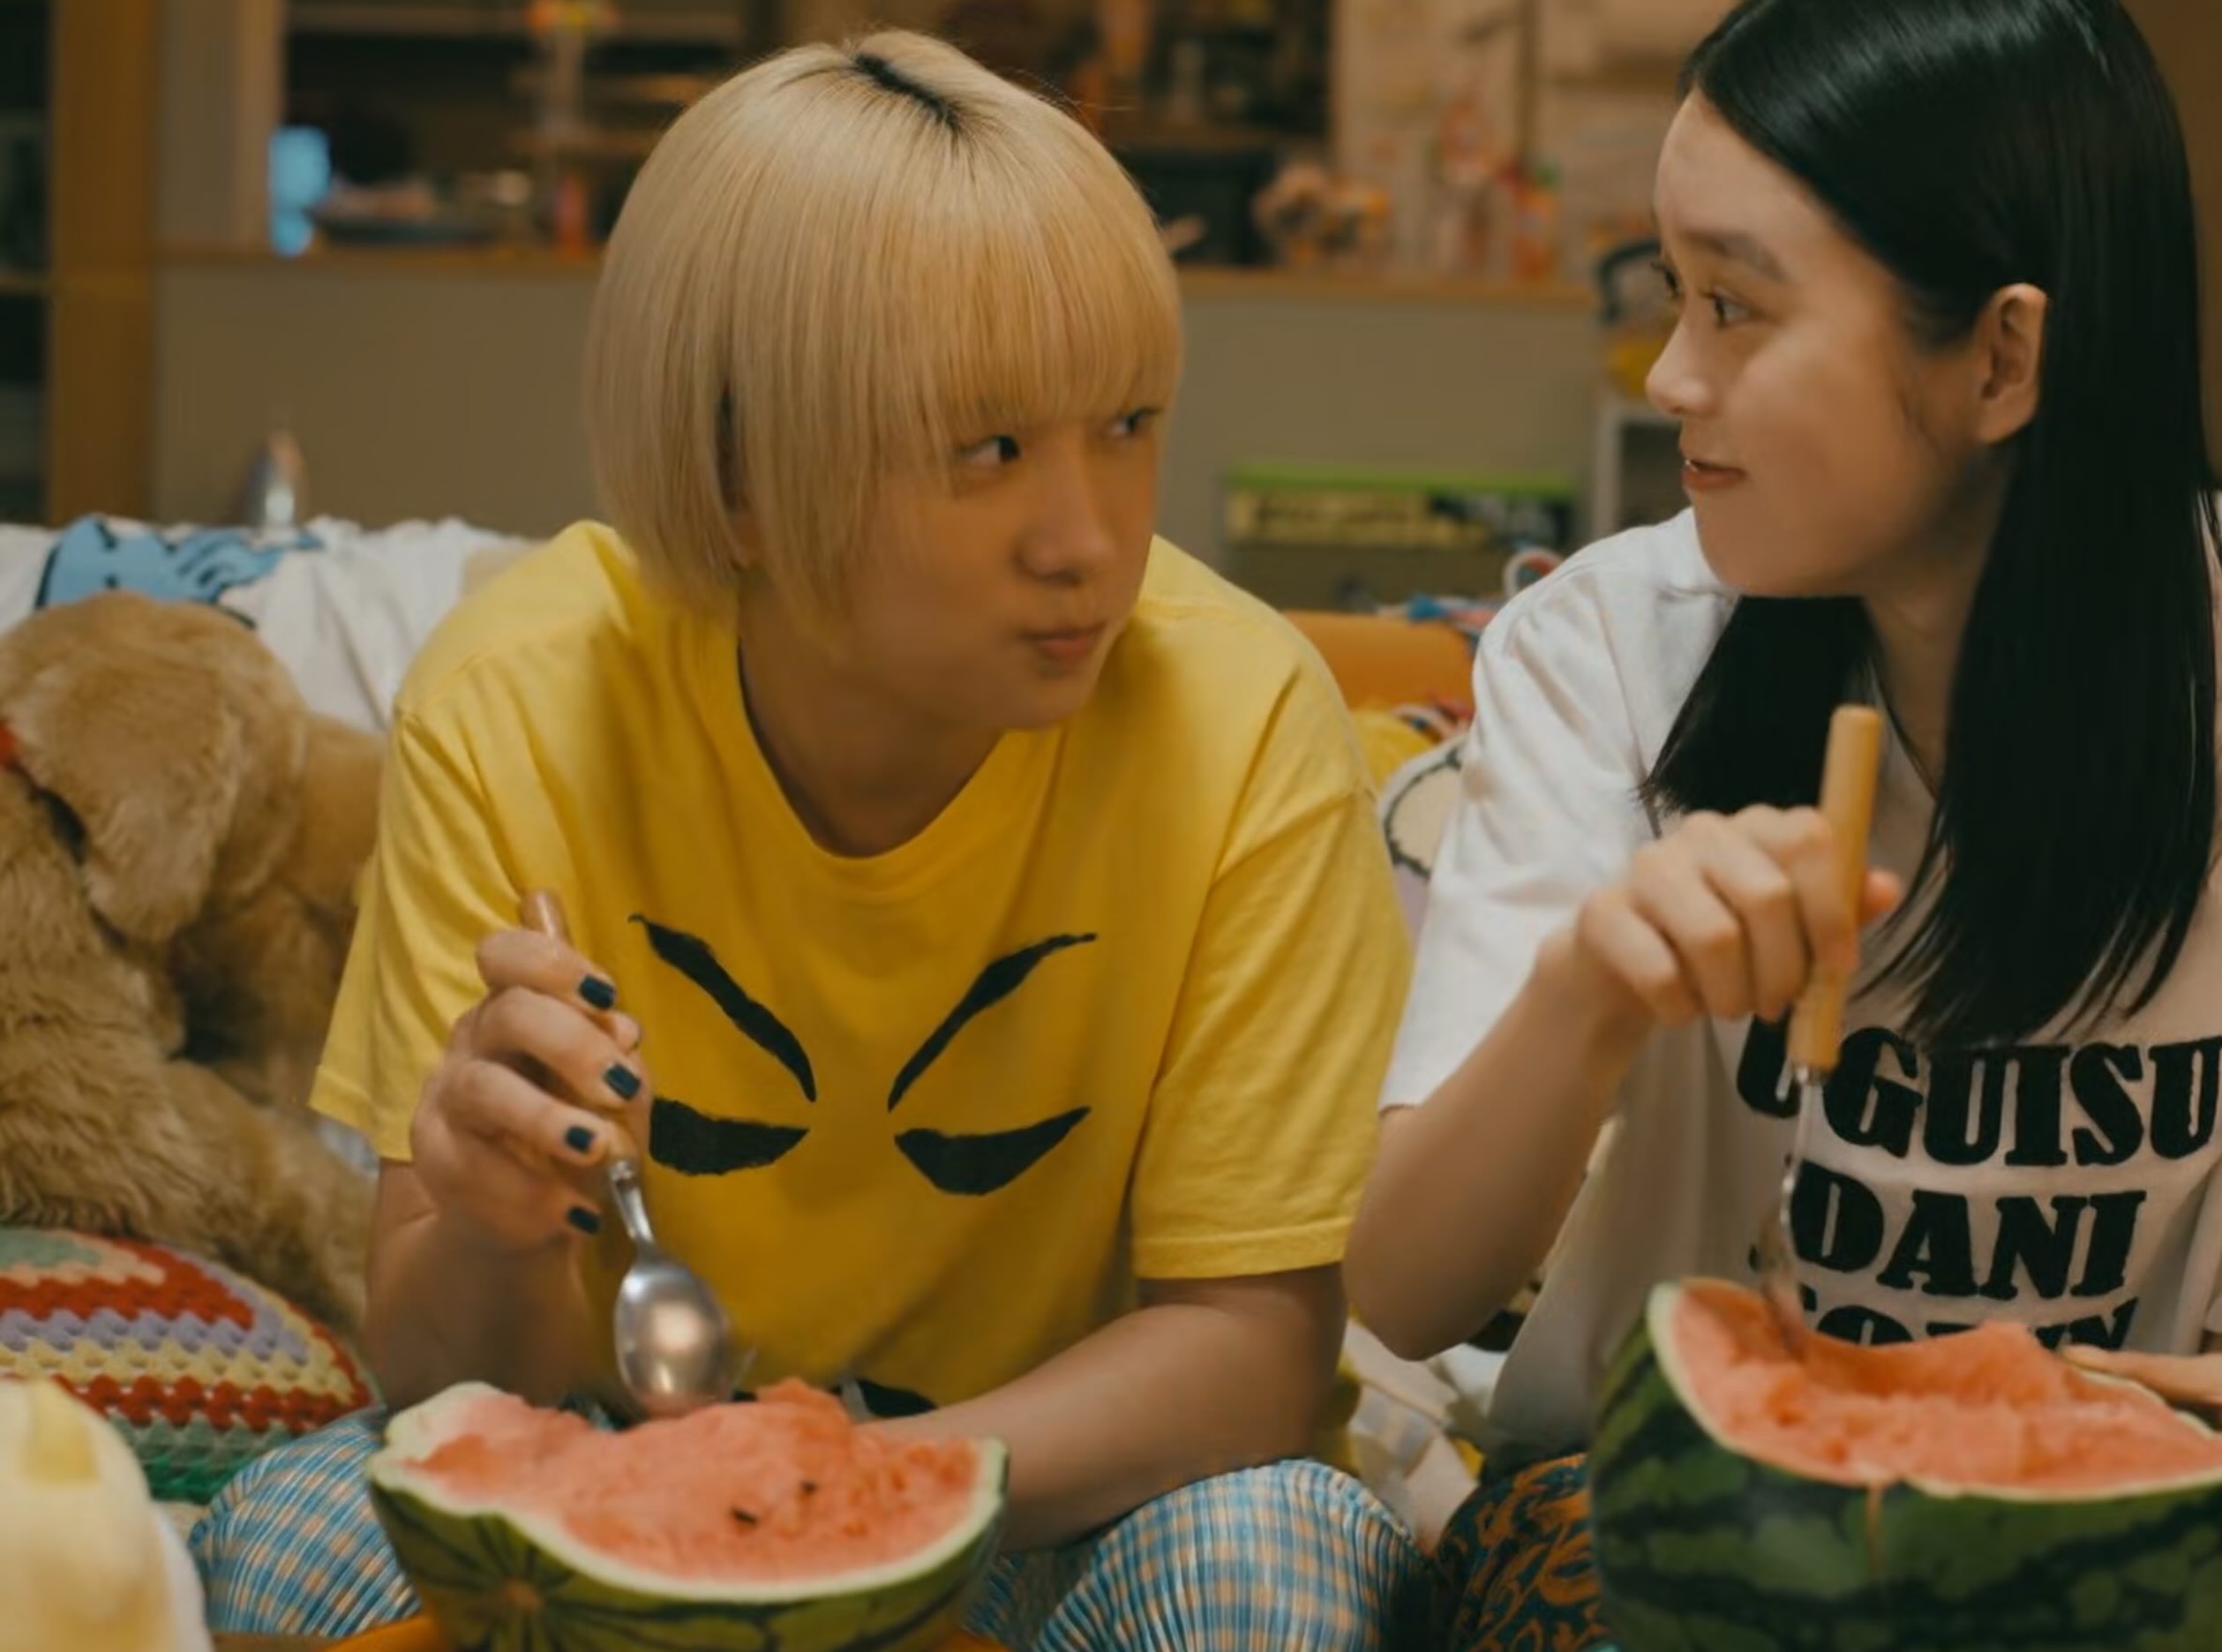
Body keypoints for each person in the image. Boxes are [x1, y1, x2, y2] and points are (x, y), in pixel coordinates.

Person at [1345, 2, 2222, 1648]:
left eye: (1735, 305)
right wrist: (1588, 994)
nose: (1671, 375)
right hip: (1675, 1531)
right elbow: (1404, 1291)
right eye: (1673, 293)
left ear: (2002, 358)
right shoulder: (1606, 651)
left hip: (2147, 1543)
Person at [190, 33, 1422, 1648]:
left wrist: (824, 1496)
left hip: (1057, 1508)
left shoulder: (1248, 724)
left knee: (1275, 1557)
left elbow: (1251, 1351)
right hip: (614, 1491)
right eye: (990, 451)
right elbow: (447, 1381)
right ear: (739, 478)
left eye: (1128, 423)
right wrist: (490, 1222)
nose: (1088, 538)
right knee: (287, 1541)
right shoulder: (514, 701)